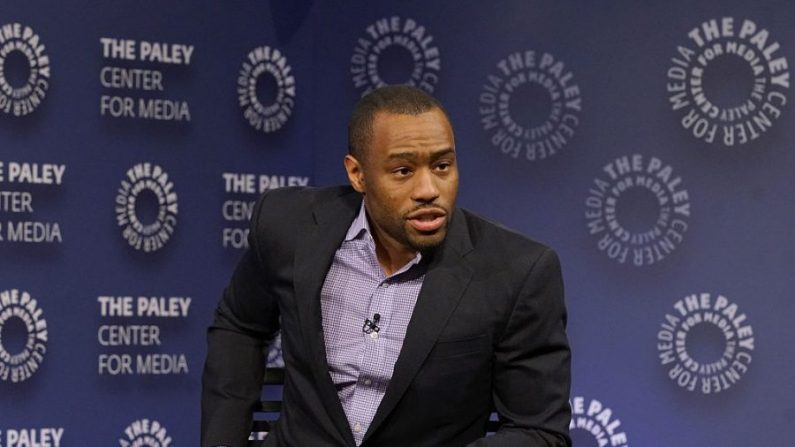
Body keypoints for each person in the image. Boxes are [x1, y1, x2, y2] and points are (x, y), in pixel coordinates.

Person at [201, 85, 571, 446]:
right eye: (403, 171)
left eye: (442, 165)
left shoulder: (518, 272)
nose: (428, 189)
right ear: (357, 174)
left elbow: (539, 431)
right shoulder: (288, 226)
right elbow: (240, 326)